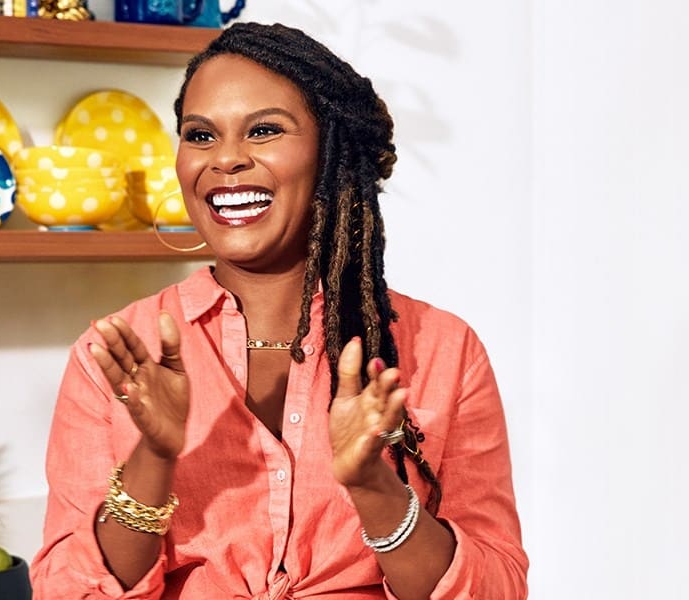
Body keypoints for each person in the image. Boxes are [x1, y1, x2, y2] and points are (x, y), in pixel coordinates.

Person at [30, 21, 528, 599]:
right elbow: (66, 591)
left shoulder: (444, 349)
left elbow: (498, 588)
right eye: (200, 135)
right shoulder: (115, 357)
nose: (225, 159)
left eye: (264, 130)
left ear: (332, 152)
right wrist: (154, 458)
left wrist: (375, 487)